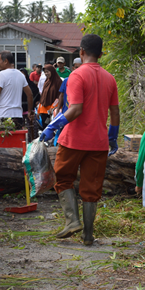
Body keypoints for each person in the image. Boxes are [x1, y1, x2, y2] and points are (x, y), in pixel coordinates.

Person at [39, 34, 119, 246]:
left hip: (72, 140)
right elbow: (115, 113)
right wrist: (112, 137)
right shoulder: (110, 78)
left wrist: (51, 127)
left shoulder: (76, 76)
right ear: (101, 54)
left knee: (64, 179)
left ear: (81, 52)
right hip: (99, 142)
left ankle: (72, 220)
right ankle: (88, 235)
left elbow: (75, 109)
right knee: (91, 188)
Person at [0, 51, 34, 129]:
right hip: (17, 116)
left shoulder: (1, 74)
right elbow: (30, 94)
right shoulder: (21, 75)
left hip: (3, 116)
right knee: (15, 140)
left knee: (2, 141)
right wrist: (29, 111)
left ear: (6, 61)